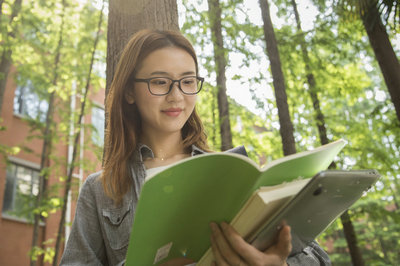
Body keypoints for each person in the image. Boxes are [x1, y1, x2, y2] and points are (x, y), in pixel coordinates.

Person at [60, 29, 331, 266]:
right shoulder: (101, 189)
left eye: (188, 81)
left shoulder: (233, 172)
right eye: (160, 82)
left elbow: (318, 258)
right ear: (130, 91)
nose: (176, 96)